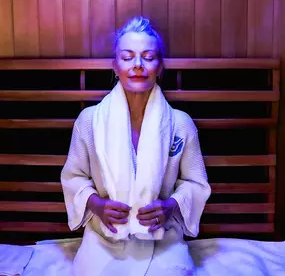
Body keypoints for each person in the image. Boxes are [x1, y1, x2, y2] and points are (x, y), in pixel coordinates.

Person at [61, 16, 211, 276]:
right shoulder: (90, 121)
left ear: (160, 66)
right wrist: (96, 204)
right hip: (103, 239)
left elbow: (196, 183)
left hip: (163, 239)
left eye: (148, 56)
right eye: (127, 57)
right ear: (115, 66)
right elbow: (73, 177)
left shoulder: (180, 124)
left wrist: (171, 207)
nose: (138, 66)